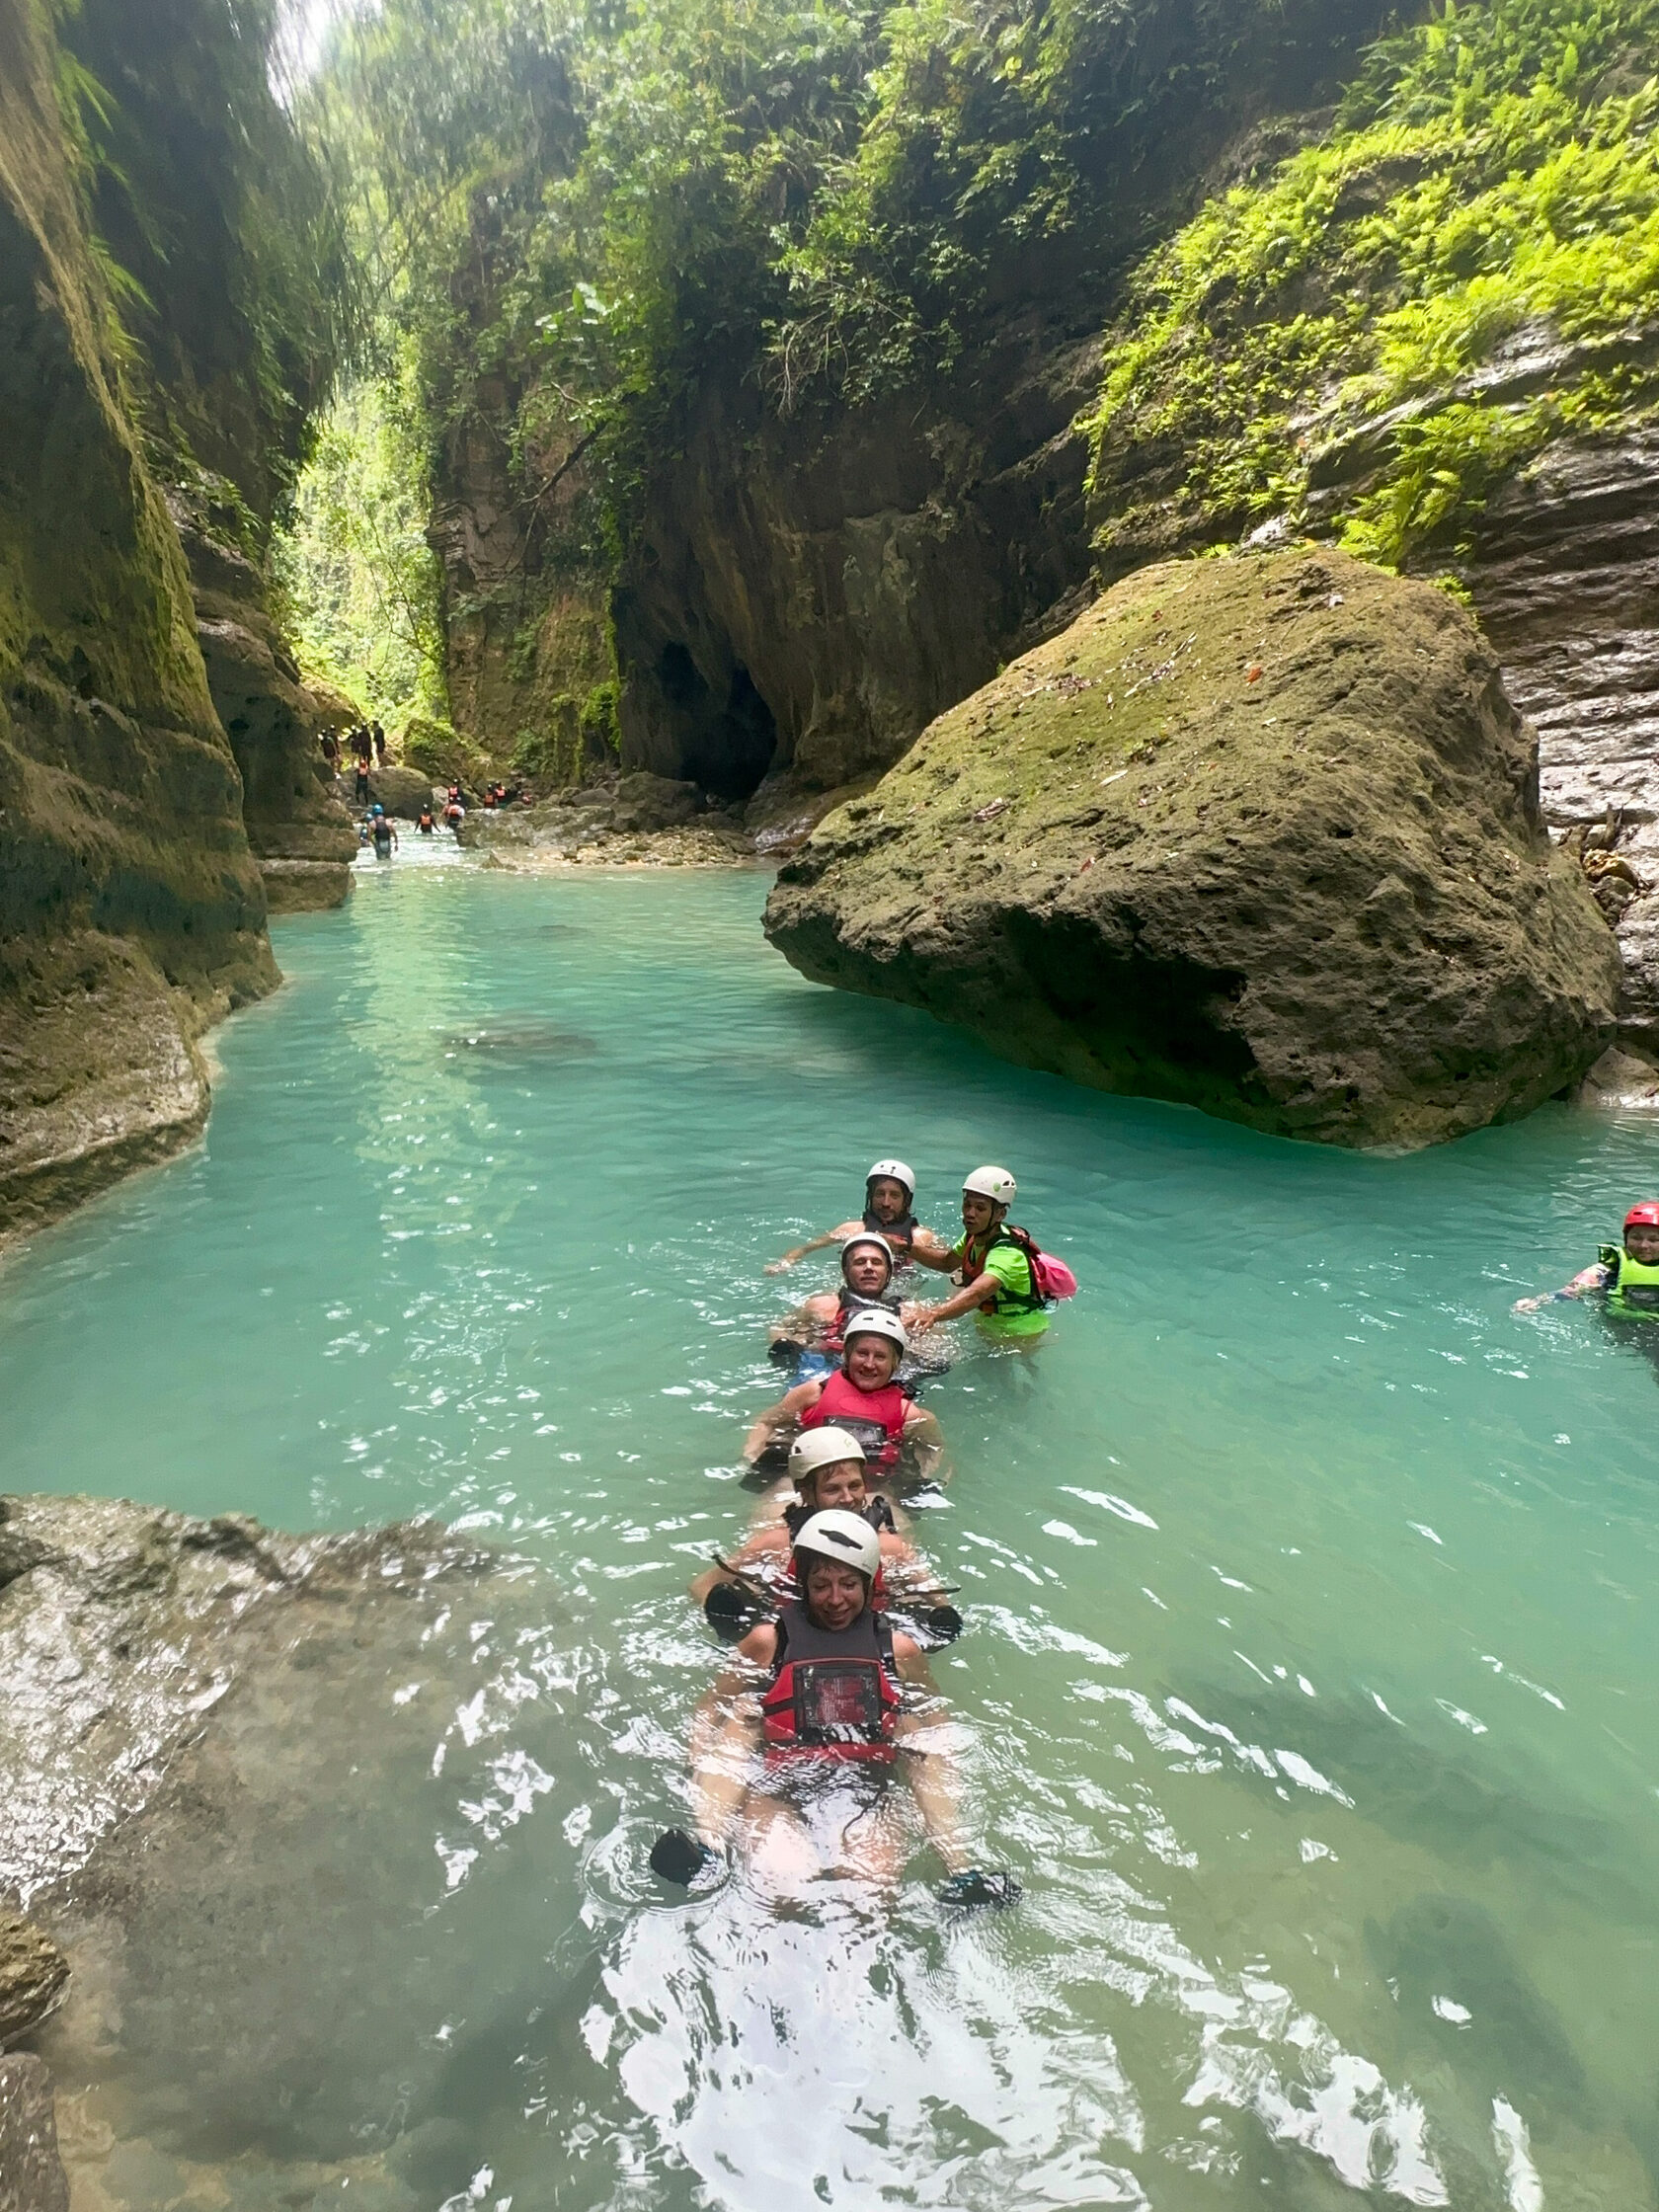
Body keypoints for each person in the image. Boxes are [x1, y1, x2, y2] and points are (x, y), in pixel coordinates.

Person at [651, 1510, 1017, 1906]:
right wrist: (694, 1760)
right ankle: (710, 1847)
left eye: (848, 1584)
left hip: (867, 1789)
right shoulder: (766, 1642)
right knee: (744, 1718)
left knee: (871, 1900)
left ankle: (959, 1868)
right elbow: (710, 1708)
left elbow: (936, 1717)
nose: (836, 1599)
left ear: (868, 1583)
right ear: (803, 1584)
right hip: (779, 1789)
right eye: (822, 1585)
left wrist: (943, 1761)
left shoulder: (899, 1649)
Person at [688, 1428, 933, 1620]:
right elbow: (702, 1585)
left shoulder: (892, 1548)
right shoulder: (776, 1544)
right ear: (806, 1493)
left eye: (855, 1486)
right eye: (832, 1489)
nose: (848, 1498)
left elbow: (940, 1608)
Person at [744, 1308, 942, 1482]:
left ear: (895, 1363)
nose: (869, 1364)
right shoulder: (813, 1393)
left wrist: (921, 1478)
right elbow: (765, 1422)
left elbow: (933, 1450)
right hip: (811, 1485)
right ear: (846, 1355)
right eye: (862, 1353)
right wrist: (751, 1455)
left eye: (880, 1356)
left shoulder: (911, 1416)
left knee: (895, 1523)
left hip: (873, 1490)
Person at [909, 1165, 1052, 1342]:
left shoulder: (1007, 1254)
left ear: (1000, 1214)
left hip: (1022, 1331)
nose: (970, 1213)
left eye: (980, 1208)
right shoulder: (974, 1235)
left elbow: (978, 1293)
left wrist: (933, 1314)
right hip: (988, 1322)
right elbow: (947, 1263)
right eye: (967, 1205)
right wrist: (905, 1247)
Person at [765, 1160, 951, 1275]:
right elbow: (806, 1248)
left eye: (894, 1195)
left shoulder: (922, 1237)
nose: (886, 1203)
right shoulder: (850, 1230)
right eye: (880, 1194)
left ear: (906, 1200)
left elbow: (954, 1265)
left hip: (903, 1296)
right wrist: (784, 1263)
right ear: (870, 1197)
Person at [1513, 1203, 1659, 1319]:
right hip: (1622, 1326)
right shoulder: (1609, 1268)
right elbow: (1571, 1291)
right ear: (1626, 1238)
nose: (1643, 1245)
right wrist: (1537, 1301)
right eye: (1636, 1238)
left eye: (1654, 1240)